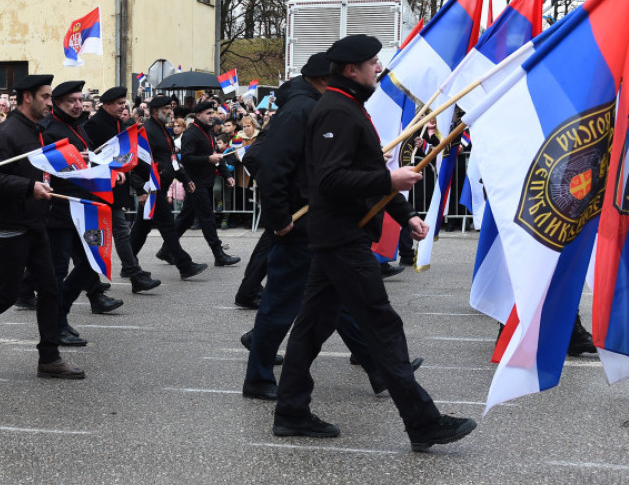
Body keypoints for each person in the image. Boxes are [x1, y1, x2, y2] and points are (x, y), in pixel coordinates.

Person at [273, 34, 476, 452]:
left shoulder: (347, 106)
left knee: (311, 328)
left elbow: (366, 170)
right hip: (342, 238)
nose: (378, 69)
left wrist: (405, 215)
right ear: (352, 70)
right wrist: (390, 179)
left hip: (339, 235)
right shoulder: (335, 110)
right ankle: (423, 422)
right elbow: (331, 179)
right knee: (382, 326)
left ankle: (291, 411)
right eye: (372, 63)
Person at [241, 55, 410, 401]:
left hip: (320, 225)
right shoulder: (301, 110)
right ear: (324, 79)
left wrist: (405, 214)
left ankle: (378, 368)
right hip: (299, 226)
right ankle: (258, 377)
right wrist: (281, 217)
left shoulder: (320, 106)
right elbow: (264, 162)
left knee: (340, 303)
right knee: (281, 304)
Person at [0, 74, 84, 379]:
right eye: (45, 97)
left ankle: (49, 357)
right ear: (27, 97)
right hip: (10, 226)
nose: (50, 102)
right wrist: (29, 188)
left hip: (34, 222)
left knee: (50, 289)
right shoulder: (8, 133)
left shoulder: (35, 129)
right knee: (6, 295)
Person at [44, 80, 124, 345]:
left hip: (85, 208)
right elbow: (51, 170)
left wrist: (108, 172)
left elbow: (89, 159)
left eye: (80, 100)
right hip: (60, 211)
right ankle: (57, 324)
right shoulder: (49, 129)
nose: (78, 105)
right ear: (57, 103)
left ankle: (61, 312)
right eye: (72, 101)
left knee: (92, 261)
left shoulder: (77, 126)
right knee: (58, 271)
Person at [84, 87, 160, 292]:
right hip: (100, 188)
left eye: (124, 103)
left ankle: (130, 272)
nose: (123, 107)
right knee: (105, 234)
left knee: (116, 232)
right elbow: (91, 158)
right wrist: (112, 172)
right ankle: (131, 274)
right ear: (107, 104)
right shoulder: (94, 125)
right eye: (119, 103)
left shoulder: (117, 122)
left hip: (115, 188)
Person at [130, 94, 207, 279]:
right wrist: (140, 189)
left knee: (142, 227)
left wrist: (185, 178)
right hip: (152, 188)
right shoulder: (146, 132)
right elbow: (136, 163)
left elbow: (171, 159)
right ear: (155, 112)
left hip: (160, 186)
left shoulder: (163, 130)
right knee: (168, 226)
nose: (170, 112)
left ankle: (128, 263)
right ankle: (185, 265)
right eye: (166, 109)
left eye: (171, 108)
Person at [172, 101, 240, 266]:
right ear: (198, 115)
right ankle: (219, 254)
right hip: (196, 183)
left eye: (212, 113)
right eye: (208, 113)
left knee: (186, 218)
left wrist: (226, 175)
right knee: (207, 218)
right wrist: (208, 159)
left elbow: (216, 156)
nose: (212, 116)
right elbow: (187, 159)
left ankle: (167, 249)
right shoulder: (191, 134)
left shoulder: (208, 132)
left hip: (206, 181)